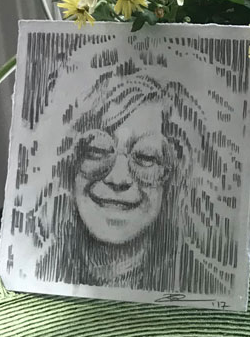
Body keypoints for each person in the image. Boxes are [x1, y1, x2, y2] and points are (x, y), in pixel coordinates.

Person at [12, 45, 238, 296]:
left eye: (146, 157)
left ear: (173, 175)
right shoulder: (30, 275)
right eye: (97, 150)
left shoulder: (206, 287)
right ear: (68, 163)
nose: (118, 178)